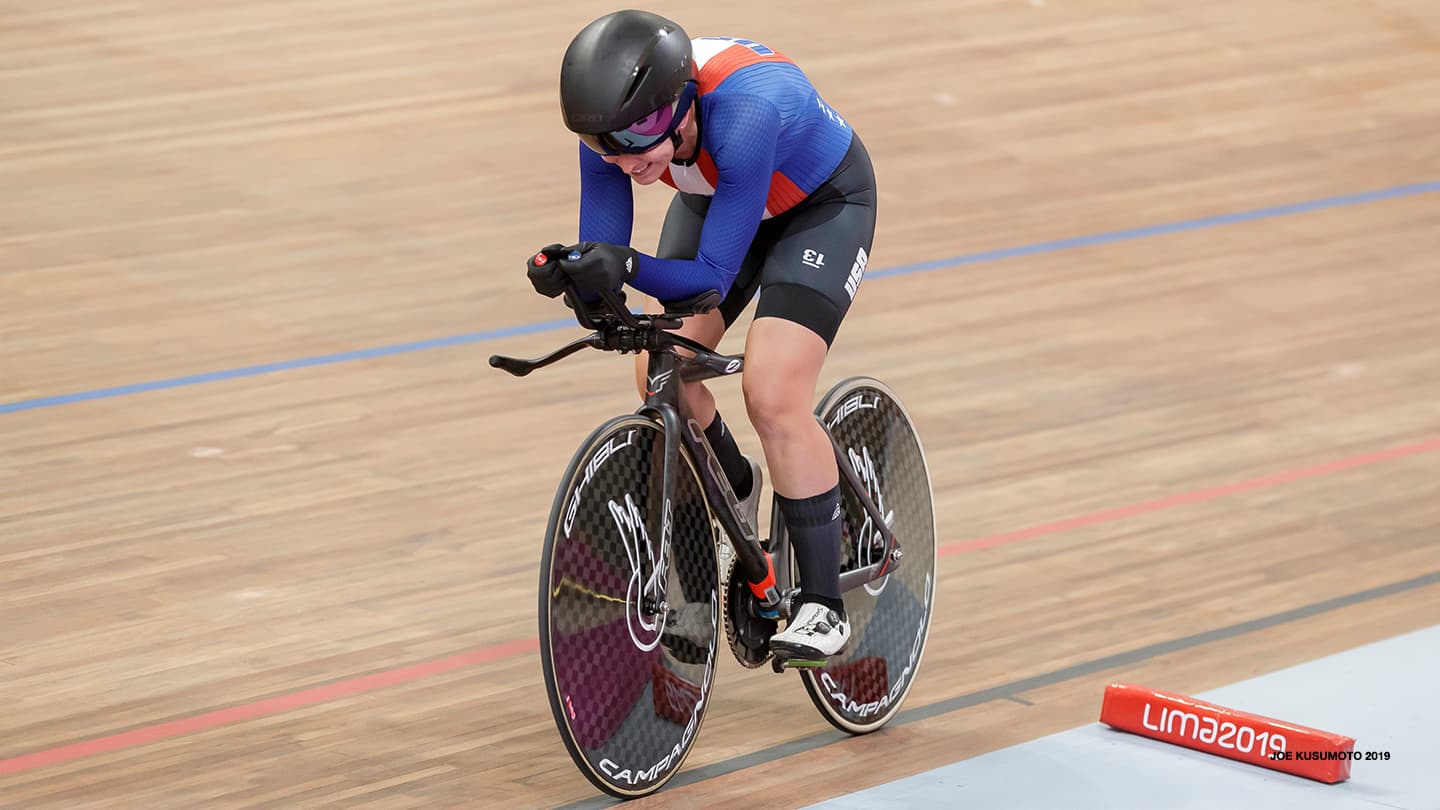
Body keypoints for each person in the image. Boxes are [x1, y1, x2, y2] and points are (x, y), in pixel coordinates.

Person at [525, 9, 877, 661]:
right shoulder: (614, 135)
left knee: (771, 390)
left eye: (640, 134)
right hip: (723, 198)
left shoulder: (743, 115)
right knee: (660, 374)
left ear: (683, 101)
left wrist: (624, 265)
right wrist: (582, 281)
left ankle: (824, 606)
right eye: (606, 143)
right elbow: (611, 264)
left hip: (820, 208)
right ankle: (734, 481)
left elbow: (708, 280)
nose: (625, 156)